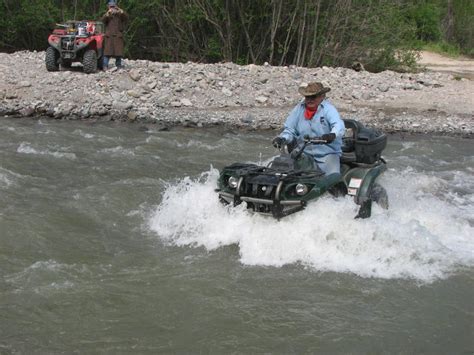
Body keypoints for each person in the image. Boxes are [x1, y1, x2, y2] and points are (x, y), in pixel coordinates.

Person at [272, 82, 345, 175]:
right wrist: (282, 139)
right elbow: (290, 130)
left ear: (322, 96)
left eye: (313, 97)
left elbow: (338, 126)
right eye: (307, 97)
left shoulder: (329, 109)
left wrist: (332, 135)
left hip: (327, 155)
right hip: (303, 153)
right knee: (283, 174)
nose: (310, 100)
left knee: (332, 180)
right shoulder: (299, 109)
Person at [102, 0, 128, 70]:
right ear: (108, 7)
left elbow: (126, 18)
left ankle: (118, 65)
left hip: (118, 35)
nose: (112, 8)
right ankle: (105, 66)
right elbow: (103, 20)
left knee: (118, 52)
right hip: (109, 36)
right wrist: (108, 14)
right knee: (107, 53)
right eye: (111, 6)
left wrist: (121, 12)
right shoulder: (107, 15)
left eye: (113, 6)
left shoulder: (120, 14)